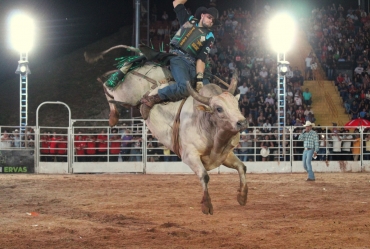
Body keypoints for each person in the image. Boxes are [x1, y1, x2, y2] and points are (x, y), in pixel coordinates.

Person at [140, 1, 218, 118]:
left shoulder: (210, 36)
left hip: (193, 63)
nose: (211, 21)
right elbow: (176, 2)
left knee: (208, 91)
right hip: (178, 57)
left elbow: (202, 58)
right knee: (184, 88)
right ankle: (154, 98)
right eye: (209, 17)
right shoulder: (189, 20)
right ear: (202, 15)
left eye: (213, 20)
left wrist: (200, 80)